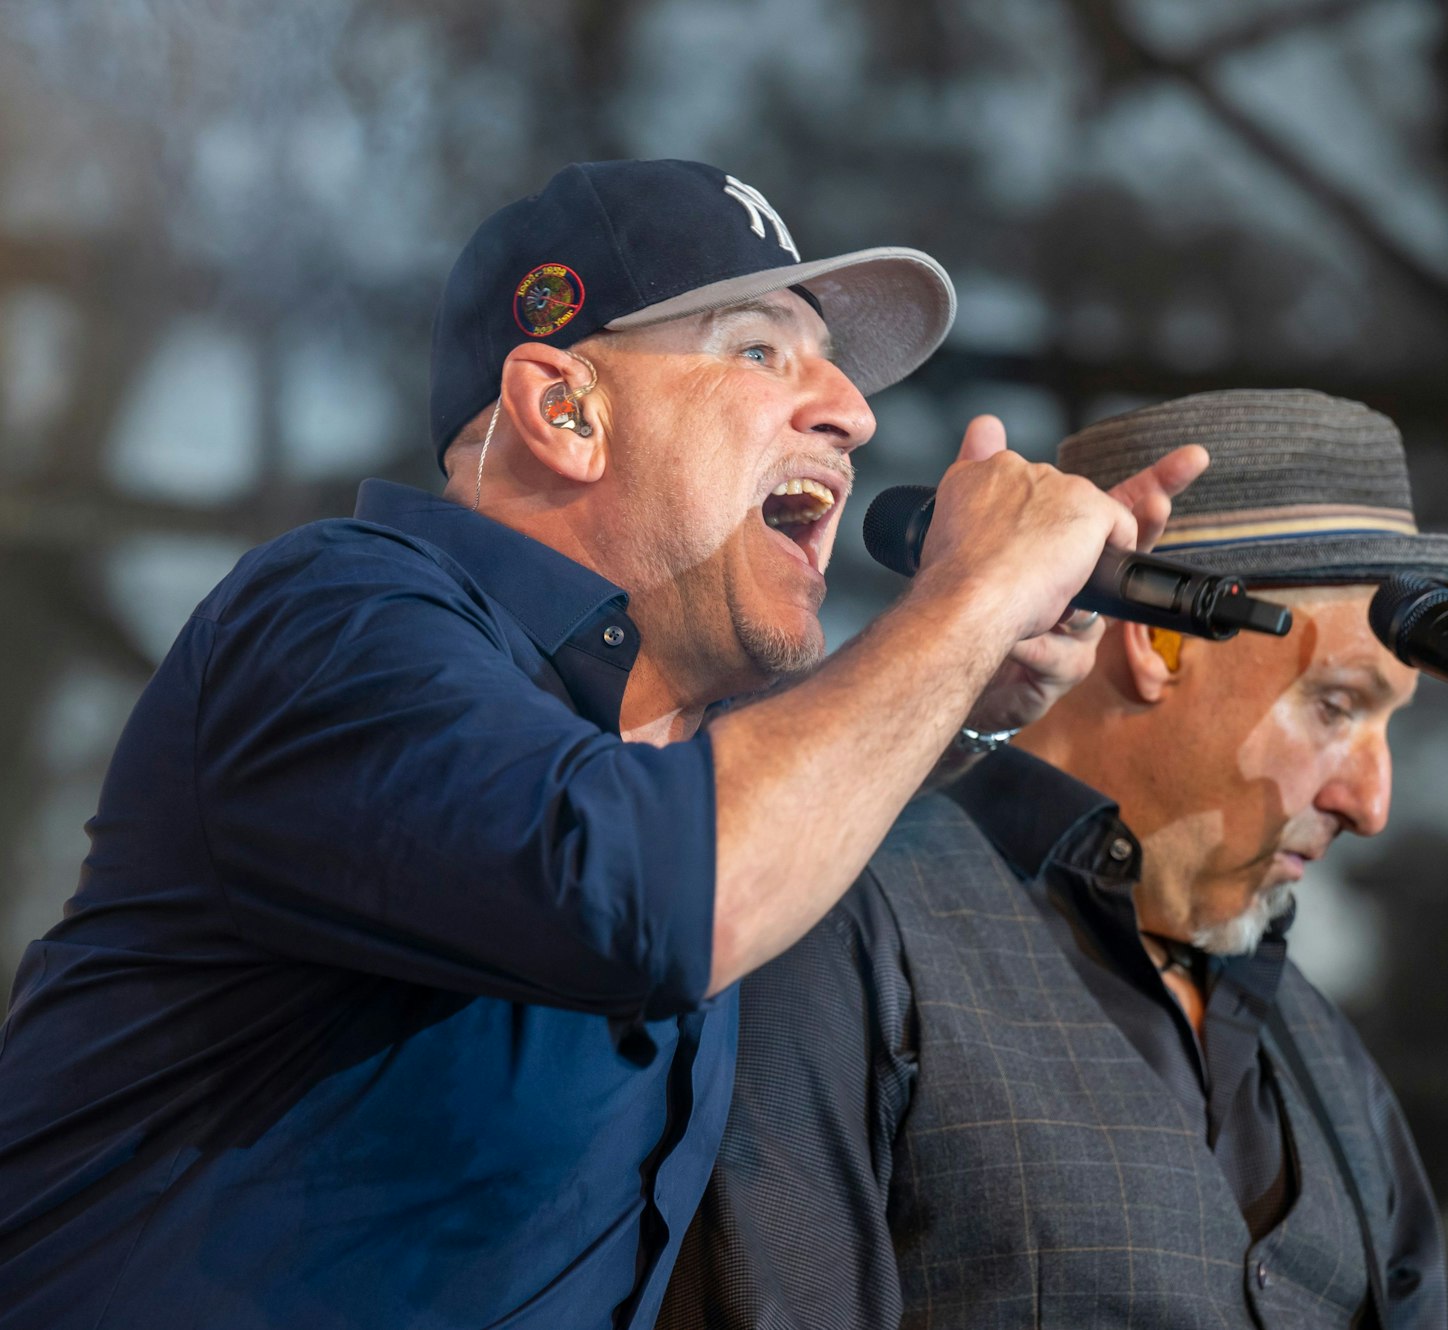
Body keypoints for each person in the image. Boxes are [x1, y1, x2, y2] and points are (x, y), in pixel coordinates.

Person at [0, 160, 1204, 1330]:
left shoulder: (672, 748)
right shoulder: (331, 619)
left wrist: (970, 685)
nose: (853, 412)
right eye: (758, 351)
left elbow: (728, 816)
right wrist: (968, 602)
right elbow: (657, 879)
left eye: (833, 367)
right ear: (564, 410)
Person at [661, 388, 1448, 1330]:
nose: (1369, 804)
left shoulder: (1330, 1060)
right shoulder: (844, 918)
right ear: (1158, 640)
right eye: (1335, 705)